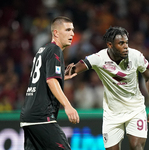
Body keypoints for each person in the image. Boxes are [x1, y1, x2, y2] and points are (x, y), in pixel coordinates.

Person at [69, 26, 149, 150]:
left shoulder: (135, 56)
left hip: (135, 109)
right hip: (112, 114)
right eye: (121, 43)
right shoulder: (99, 58)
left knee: (136, 146)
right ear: (110, 45)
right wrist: (60, 74)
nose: (126, 46)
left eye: (126, 42)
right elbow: (76, 69)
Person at [20, 16, 79, 150]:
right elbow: (51, 80)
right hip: (41, 116)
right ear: (56, 33)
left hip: (28, 116)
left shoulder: (43, 50)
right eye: (68, 29)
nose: (72, 33)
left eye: (73, 30)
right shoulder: (55, 50)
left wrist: (61, 76)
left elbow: (44, 76)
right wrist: (68, 106)